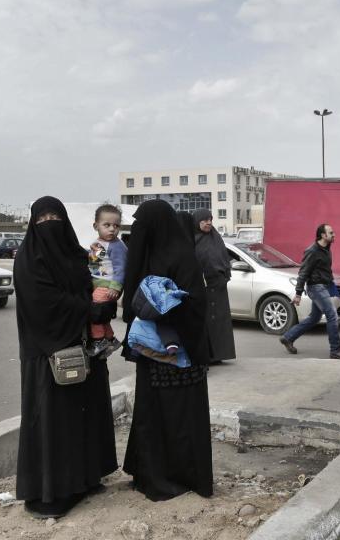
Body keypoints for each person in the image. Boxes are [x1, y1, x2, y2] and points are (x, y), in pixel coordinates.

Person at [13, 196, 117, 519]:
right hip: (48, 355)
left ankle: (85, 479)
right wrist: (88, 308)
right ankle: (51, 494)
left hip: (83, 349)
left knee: (84, 418)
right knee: (54, 423)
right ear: (33, 224)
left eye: (54, 218)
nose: (49, 226)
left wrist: (105, 301)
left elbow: (95, 284)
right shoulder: (28, 261)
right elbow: (43, 303)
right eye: (42, 220)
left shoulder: (78, 255)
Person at [121, 199, 213, 501]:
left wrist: (163, 310)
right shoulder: (149, 255)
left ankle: (174, 477)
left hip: (179, 358)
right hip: (152, 354)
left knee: (175, 420)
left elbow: (195, 304)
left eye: (143, 226)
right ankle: (149, 473)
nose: (138, 232)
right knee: (152, 416)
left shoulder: (182, 257)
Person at [279, 224, 340, 360]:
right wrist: (298, 293)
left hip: (324, 286)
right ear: (323, 235)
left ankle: (288, 337)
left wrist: (331, 284)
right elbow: (303, 272)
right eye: (331, 233)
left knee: (314, 318)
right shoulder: (312, 251)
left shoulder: (326, 249)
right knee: (332, 315)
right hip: (316, 287)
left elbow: (326, 270)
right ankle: (335, 350)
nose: (334, 234)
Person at [192, 209, 236, 363]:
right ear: (197, 221)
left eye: (210, 219)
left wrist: (224, 276)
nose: (209, 222)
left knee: (219, 321)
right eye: (205, 220)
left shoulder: (215, 237)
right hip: (201, 286)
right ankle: (207, 355)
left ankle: (219, 354)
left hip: (217, 286)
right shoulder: (191, 239)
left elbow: (224, 258)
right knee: (204, 322)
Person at [87, 203, 127, 358]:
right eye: (107, 225)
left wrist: (116, 287)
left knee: (95, 313)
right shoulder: (98, 243)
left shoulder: (117, 246)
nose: (112, 229)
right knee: (102, 315)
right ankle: (111, 339)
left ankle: (99, 341)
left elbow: (121, 268)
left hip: (108, 286)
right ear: (96, 226)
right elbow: (94, 265)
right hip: (98, 285)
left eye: (116, 226)